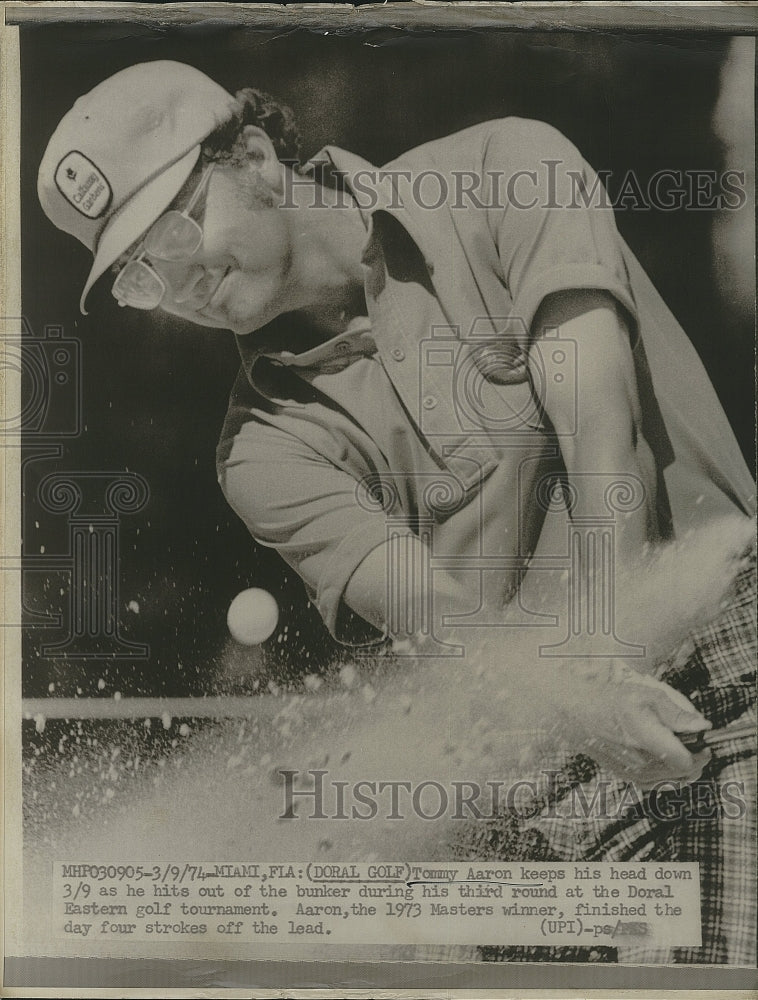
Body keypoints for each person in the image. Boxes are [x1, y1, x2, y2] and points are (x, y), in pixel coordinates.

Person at [38, 60, 755, 791]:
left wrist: (608, 665)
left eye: (175, 231)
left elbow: (602, 432)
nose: (176, 282)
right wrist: (589, 698)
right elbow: (446, 622)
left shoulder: (506, 169)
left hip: (729, 661)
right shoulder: (259, 452)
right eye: (140, 273)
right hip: (559, 753)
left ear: (254, 157)